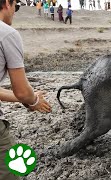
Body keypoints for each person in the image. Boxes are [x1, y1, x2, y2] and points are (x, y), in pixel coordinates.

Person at [0, 0, 52, 179]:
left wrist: (27, 99)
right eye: (16, 6)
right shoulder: (7, 34)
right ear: (7, 3)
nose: (15, 11)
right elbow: (22, 91)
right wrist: (34, 100)